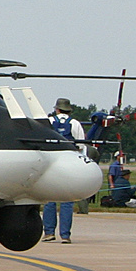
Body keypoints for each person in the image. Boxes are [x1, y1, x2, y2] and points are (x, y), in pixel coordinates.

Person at [42, 98, 85, 242]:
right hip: (68, 165)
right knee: (67, 202)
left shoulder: (48, 121)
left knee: (49, 200)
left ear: (57, 109)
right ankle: (65, 235)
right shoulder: (75, 123)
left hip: (50, 165)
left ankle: (49, 232)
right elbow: (80, 145)